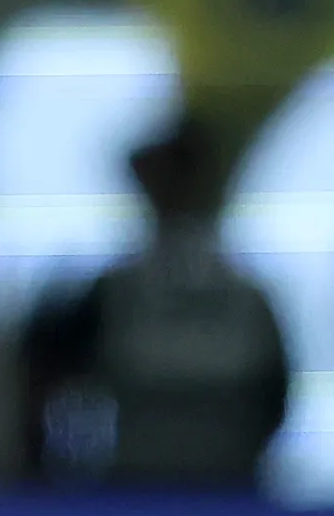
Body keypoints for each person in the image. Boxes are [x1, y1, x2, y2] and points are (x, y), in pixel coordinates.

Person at [19, 115, 288, 487]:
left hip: (218, 485)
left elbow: (276, 398)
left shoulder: (244, 295)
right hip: (152, 488)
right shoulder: (118, 290)